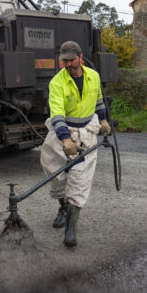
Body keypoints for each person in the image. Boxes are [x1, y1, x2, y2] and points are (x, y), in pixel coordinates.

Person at [40, 41, 110, 247]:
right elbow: (57, 113)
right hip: (63, 130)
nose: (68, 64)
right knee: (54, 173)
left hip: (86, 131)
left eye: (71, 60)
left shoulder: (93, 76)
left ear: (80, 57)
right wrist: (65, 139)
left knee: (79, 180)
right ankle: (62, 206)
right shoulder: (57, 82)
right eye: (64, 60)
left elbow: (98, 100)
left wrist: (103, 119)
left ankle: (71, 230)